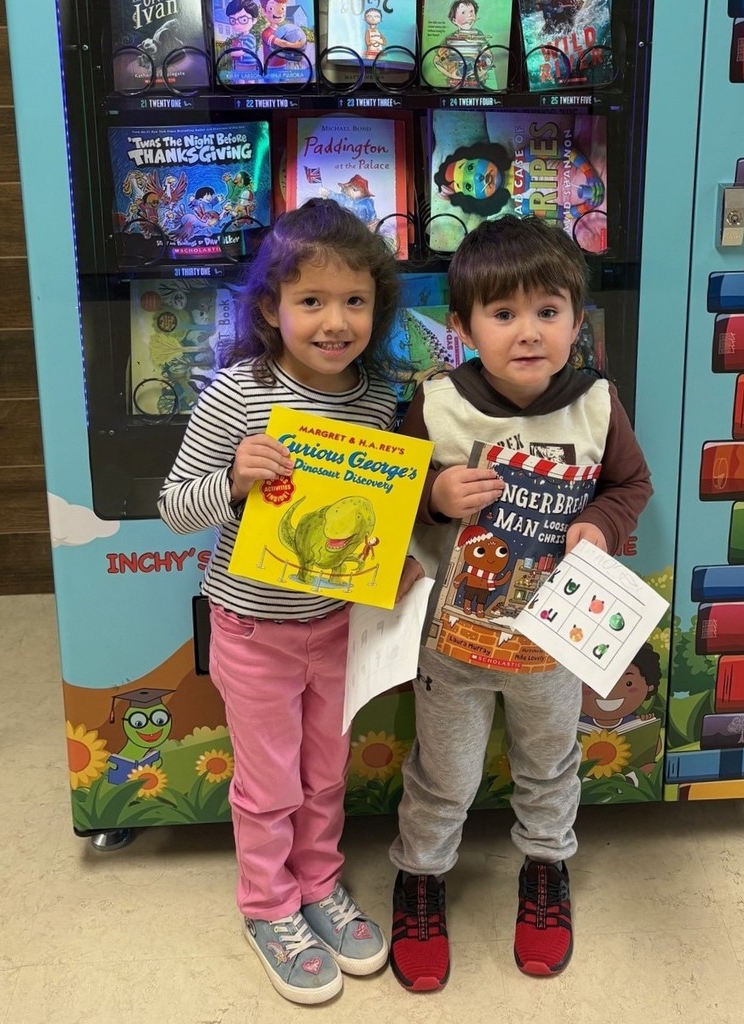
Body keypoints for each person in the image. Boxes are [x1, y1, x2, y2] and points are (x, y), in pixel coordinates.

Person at [158, 199, 420, 1005]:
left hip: (340, 626)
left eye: (354, 301)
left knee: (325, 774)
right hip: (253, 630)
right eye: (311, 301)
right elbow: (175, 506)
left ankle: (317, 888)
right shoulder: (238, 394)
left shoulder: (379, 396)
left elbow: (379, 510)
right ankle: (268, 906)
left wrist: (402, 555)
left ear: (377, 308)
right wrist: (233, 481)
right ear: (271, 309)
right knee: (269, 782)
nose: (335, 321)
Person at [388, 215, 653, 990]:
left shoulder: (596, 403)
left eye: (548, 311)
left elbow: (630, 486)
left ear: (578, 318)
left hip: (552, 643)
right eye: (503, 314)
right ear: (463, 325)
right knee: (446, 775)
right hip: (455, 645)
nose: (528, 332)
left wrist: (599, 526)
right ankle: (421, 878)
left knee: (549, 765)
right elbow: (388, 505)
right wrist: (434, 498)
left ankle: (545, 870)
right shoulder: (437, 404)